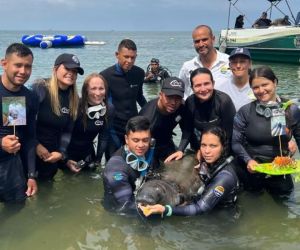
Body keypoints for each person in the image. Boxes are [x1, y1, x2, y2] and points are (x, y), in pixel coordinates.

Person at [139, 126, 238, 217]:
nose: (207, 151)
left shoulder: (225, 177)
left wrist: (166, 210)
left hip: (219, 217)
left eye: (213, 146)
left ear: (223, 147)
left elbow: (200, 208)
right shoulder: (211, 161)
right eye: (203, 145)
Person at [232, 66, 300, 197]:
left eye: (265, 85)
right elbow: (235, 143)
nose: (261, 90)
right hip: (252, 168)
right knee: (253, 204)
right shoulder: (245, 111)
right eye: (255, 87)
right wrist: (248, 160)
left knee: (284, 203)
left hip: (281, 168)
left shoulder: (291, 109)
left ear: (275, 82)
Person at [32, 53, 83, 180]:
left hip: (51, 156)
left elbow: (67, 131)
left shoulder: (74, 99)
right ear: (55, 69)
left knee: (46, 194)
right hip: (31, 150)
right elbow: (26, 121)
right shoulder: (40, 88)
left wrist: (61, 155)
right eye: (67, 68)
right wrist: (36, 145)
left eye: (75, 71)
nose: (71, 73)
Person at [167, 67, 236, 161]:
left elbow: (229, 136)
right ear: (192, 88)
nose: (203, 89)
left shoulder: (224, 101)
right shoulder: (190, 102)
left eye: (206, 84)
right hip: (198, 149)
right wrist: (180, 150)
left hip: (221, 151)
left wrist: (212, 157)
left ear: (213, 83)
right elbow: (187, 129)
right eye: (198, 85)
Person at [0, 43, 38, 203]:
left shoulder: (29, 98)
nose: (23, 71)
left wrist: (31, 175)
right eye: (18, 65)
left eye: (27, 66)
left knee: (17, 209)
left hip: (12, 165)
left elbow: (30, 138)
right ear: (4, 63)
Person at [100, 39, 147, 158]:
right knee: (113, 162)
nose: (129, 61)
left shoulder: (139, 73)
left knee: (135, 161)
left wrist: (150, 114)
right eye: (126, 57)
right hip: (113, 127)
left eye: (133, 57)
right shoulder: (106, 75)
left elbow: (140, 97)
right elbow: (103, 103)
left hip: (133, 125)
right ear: (117, 55)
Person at [102, 115, 154, 214]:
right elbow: (126, 205)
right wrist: (166, 209)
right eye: (135, 140)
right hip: (119, 212)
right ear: (126, 139)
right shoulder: (116, 168)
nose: (141, 145)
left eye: (145, 140)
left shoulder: (149, 151)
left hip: (139, 197)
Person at [66, 73, 114, 172]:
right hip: (67, 153)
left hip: (87, 153)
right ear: (86, 90)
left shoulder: (109, 109)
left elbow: (104, 137)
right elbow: (63, 134)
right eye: (93, 88)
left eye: (101, 88)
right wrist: (64, 159)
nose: (98, 93)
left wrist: (98, 160)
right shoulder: (75, 106)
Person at [139, 77, 189, 165]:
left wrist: (181, 149)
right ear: (161, 95)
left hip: (167, 141)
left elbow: (187, 129)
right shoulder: (147, 116)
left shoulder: (182, 107)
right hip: (148, 146)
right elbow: (138, 141)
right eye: (169, 97)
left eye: (178, 98)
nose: (173, 102)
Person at [179, 25, 231, 100]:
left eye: (204, 40)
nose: (201, 44)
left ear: (213, 39)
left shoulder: (228, 62)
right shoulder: (187, 67)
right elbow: (181, 92)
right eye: (197, 41)